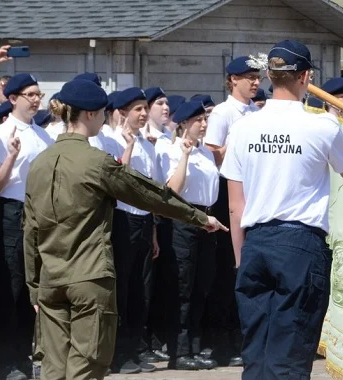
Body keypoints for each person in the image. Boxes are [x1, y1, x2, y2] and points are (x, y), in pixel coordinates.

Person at [24, 78, 226, 380]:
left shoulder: (40, 163)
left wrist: (34, 288)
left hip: (50, 281)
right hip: (89, 277)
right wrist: (199, 217)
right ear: (90, 114)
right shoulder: (97, 162)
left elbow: (30, 230)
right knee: (86, 366)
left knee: (52, 369)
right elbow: (150, 195)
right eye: (104, 111)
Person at [224, 40, 343, 378]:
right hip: (300, 246)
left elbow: (236, 205)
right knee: (289, 355)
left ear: (270, 77)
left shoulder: (243, 128)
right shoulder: (321, 126)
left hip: (256, 244)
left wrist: (239, 259)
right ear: (306, 76)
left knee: (257, 355)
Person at [0, 74, 54, 380]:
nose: (36, 99)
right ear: (13, 99)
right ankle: (5, 358)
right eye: (30, 94)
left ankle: (24, 354)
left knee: (32, 288)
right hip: (11, 212)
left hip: (40, 214)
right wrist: (12, 155)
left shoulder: (44, 136)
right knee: (10, 285)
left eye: (39, 94)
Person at [202, 56, 259, 368]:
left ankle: (242, 337)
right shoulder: (224, 113)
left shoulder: (254, 112)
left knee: (247, 268)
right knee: (228, 270)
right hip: (227, 191)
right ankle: (221, 342)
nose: (254, 82)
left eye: (257, 77)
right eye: (247, 77)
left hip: (250, 190)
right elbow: (212, 152)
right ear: (231, 81)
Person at [156, 100, 220, 370]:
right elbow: (173, 190)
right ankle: (178, 351)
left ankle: (194, 347)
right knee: (181, 286)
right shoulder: (172, 151)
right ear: (183, 123)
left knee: (200, 286)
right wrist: (184, 155)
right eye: (198, 120)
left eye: (205, 119)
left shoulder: (205, 152)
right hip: (183, 217)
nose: (203, 124)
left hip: (206, 217)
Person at [108, 87, 166, 374]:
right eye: (137, 109)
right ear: (121, 113)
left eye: (145, 108)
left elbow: (151, 189)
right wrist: (128, 148)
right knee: (122, 288)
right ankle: (117, 353)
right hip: (122, 220)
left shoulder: (149, 144)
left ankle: (134, 348)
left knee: (141, 291)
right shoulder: (111, 140)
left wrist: (153, 230)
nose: (143, 114)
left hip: (143, 221)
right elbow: (117, 180)